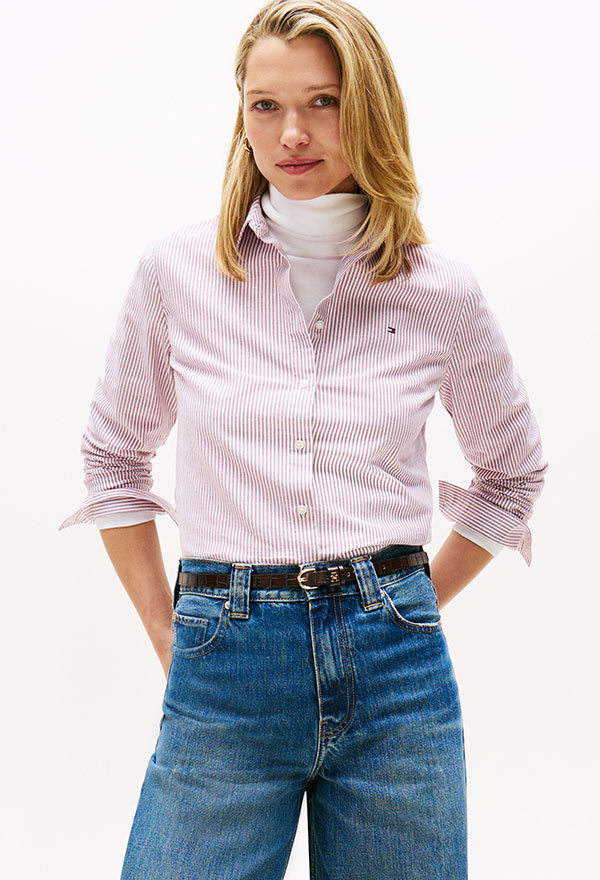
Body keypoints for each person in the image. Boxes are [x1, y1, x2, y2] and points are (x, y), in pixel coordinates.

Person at [58, 1, 549, 877]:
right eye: (264, 105)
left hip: (399, 679)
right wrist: (174, 640)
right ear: (240, 116)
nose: (292, 133)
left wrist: (404, 606)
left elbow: (512, 474)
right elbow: (112, 459)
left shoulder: (439, 291)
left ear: (371, 109)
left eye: (323, 102)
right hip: (224, 659)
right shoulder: (178, 274)